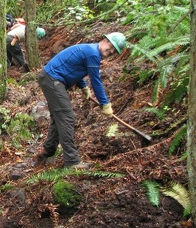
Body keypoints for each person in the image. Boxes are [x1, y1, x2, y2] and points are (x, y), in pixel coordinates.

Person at [35, 32, 127, 169]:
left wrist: (83, 87)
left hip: (51, 78)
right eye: (111, 46)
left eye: (114, 51)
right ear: (105, 40)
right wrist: (104, 103)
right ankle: (72, 161)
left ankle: (47, 151)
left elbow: (75, 68)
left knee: (58, 117)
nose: (111, 51)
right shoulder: (93, 53)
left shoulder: (91, 51)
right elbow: (96, 81)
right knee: (67, 117)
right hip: (52, 79)